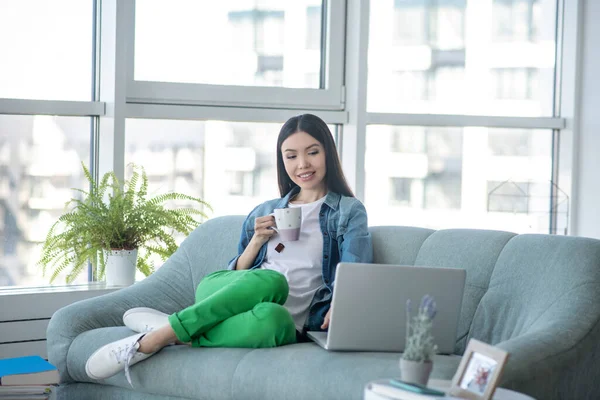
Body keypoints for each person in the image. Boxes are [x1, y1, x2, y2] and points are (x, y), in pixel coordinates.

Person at [85, 113, 373, 385]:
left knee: (275, 320)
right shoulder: (265, 211)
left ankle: (173, 331)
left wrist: (341, 305)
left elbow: (356, 268)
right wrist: (257, 241)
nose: (302, 164)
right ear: (282, 161)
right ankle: (154, 340)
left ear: (328, 154)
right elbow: (236, 274)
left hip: (287, 323)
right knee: (272, 280)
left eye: (312, 152)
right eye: (291, 156)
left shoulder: (347, 211)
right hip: (224, 293)